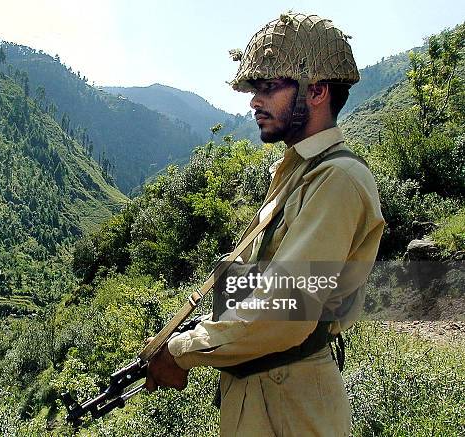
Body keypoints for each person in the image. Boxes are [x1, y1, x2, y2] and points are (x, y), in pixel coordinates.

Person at [144, 12, 385, 437]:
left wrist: (182, 350)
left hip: (292, 404)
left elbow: (286, 310)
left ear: (317, 92)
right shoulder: (297, 172)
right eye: (255, 89)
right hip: (263, 395)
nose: (254, 101)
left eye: (269, 87)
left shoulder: (336, 180)